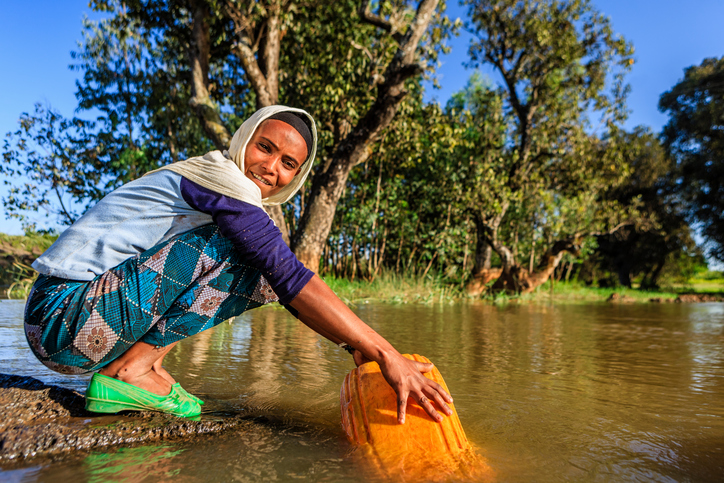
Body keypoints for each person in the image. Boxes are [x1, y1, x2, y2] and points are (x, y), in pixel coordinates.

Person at [24, 105, 452, 424]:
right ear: (243, 141)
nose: (271, 168)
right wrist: (385, 352)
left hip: (77, 325)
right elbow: (287, 276)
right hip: (61, 318)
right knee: (251, 255)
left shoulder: (226, 193)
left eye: (288, 164)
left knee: (257, 263)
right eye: (264, 148)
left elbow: (285, 287)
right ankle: (131, 372)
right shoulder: (220, 179)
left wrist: (357, 348)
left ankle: (141, 365)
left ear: (297, 176)